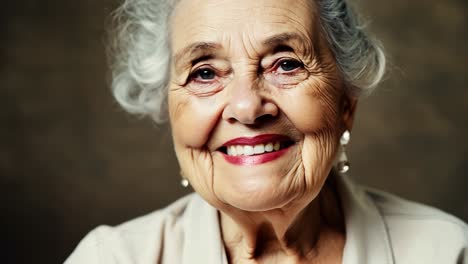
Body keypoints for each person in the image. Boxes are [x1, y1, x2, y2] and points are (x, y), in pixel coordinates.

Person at [66, 0, 467, 263]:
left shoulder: (449, 252)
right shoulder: (110, 258)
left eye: (287, 64)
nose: (247, 106)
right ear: (170, 110)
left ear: (347, 104)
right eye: (204, 72)